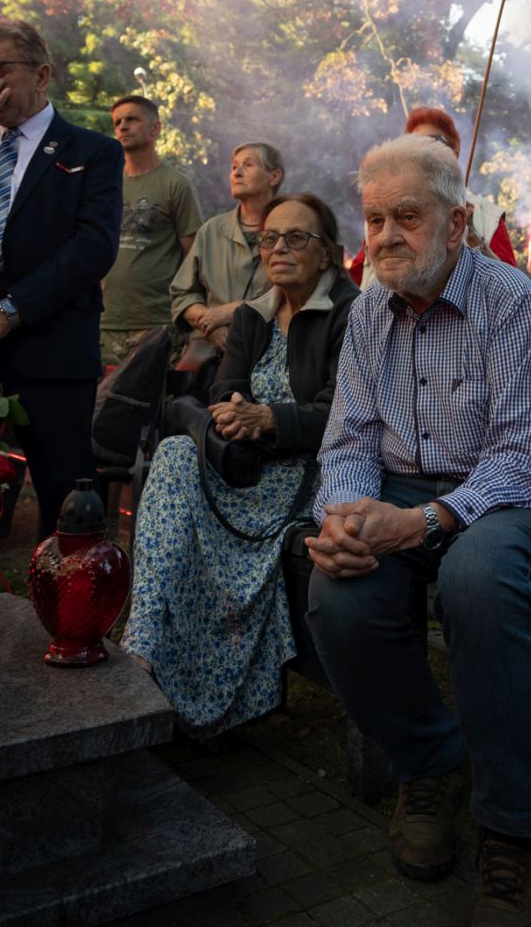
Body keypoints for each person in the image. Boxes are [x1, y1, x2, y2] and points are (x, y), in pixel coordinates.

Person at [305, 135, 531, 927]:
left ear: (458, 223)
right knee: (338, 592)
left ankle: (522, 831)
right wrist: (347, 517)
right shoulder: (368, 310)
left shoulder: (509, 298)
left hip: (518, 490)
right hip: (401, 485)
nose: (387, 237)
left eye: (408, 217)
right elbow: (349, 440)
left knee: (476, 580)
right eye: (375, 219)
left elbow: (522, 455)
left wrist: (425, 521)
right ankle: (430, 762)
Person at [122, 193, 358, 733]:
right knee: (177, 454)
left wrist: (268, 419)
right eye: (269, 238)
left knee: (176, 468)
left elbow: (345, 414)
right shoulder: (255, 313)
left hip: (304, 474)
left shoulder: (349, 313)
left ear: (326, 252)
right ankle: (145, 646)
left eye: (296, 238)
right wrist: (234, 412)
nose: (279, 248)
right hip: (242, 464)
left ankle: (148, 655)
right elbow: (225, 385)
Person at [0, 19, 123, 595]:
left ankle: (69, 614)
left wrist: (10, 309)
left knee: (63, 491)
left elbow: (93, 248)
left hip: (46, 339)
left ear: (41, 74)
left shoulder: (91, 151)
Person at [348, 106, 516, 287]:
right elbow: (358, 280)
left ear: (453, 156)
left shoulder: (488, 218)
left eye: (432, 144)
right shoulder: (382, 213)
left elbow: (510, 284)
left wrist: (472, 236)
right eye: (412, 146)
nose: (387, 237)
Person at [100, 95, 202, 367]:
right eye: (117, 122)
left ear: (155, 128)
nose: (122, 127)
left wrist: (189, 315)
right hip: (106, 321)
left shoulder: (176, 184)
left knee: (154, 394)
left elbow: (195, 257)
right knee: (103, 395)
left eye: (131, 119)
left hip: (157, 322)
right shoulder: (105, 183)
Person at [169, 142, 284, 380]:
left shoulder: (291, 231)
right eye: (233, 167)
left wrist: (231, 311)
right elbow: (183, 295)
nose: (237, 173)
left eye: (248, 165)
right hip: (210, 362)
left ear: (274, 176)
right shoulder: (211, 231)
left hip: (272, 358)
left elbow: (298, 294)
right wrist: (210, 324)